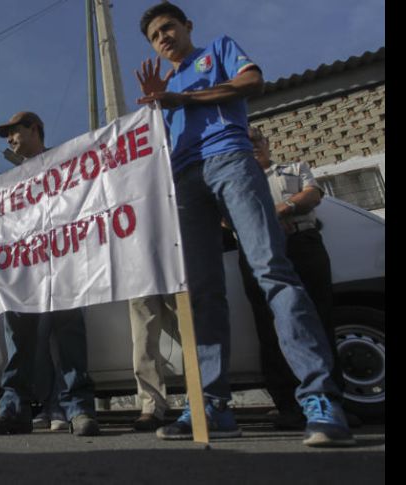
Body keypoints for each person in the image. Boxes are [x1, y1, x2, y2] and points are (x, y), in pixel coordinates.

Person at [135, 2, 354, 446]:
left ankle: (319, 397)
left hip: (230, 160)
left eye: (168, 28)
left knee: (271, 270)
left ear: (186, 26)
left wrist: (185, 98)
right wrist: (158, 109)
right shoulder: (162, 88)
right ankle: (213, 406)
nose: (163, 38)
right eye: (155, 36)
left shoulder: (216, 51)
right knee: (202, 295)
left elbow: (252, 81)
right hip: (185, 181)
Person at [0, 111, 99, 437]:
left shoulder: (64, 163)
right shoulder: (12, 180)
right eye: (7, 135)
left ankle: (79, 409)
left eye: (14, 132)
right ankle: (14, 409)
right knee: (19, 336)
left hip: (62, 263)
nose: (9, 140)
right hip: (23, 269)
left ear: (35, 129)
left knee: (69, 332)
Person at [239, 126, 354, 429]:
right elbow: (227, 219)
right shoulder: (237, 182)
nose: (252, 146)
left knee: (318, 318)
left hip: (303, 245)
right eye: (245, 142)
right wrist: (265, 224)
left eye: (256, 140)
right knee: (269, 325)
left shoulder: (294, 168)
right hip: (258, 249)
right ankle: (287, 406)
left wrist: (283, 209)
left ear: (267, 143)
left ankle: (333, 401)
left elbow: (311, 194)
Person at [128, 294, 178, 431]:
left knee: (189, 323)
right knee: (142, 333)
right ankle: (151, 404)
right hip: (141, 273)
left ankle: (199, 402)